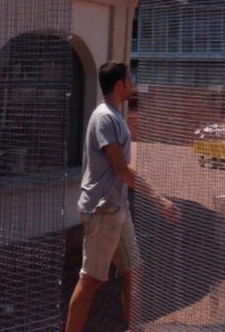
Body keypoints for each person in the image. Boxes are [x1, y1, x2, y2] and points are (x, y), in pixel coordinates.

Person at [65, 60, 177, 332]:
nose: (133, 83)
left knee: (133, 270)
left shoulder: (113, 116)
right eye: (130, 79)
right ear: (119, 85)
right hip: (103, 211)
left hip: (118, 210)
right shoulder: (105, 117)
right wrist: (159, 199)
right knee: (91, 280)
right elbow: (121, 169)